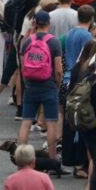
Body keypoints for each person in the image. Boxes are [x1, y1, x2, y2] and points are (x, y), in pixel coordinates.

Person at [18, 11, 63, 162]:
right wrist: (57, 83)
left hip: (31, 85)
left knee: (26, 123)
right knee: (51, 123)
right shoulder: (54, 42)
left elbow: (23, 66)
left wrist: (26, 82)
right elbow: (58, 69)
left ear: (35, 24)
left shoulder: (27, 42)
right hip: (48, 85)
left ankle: (21, 157)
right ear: (48, 24)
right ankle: (52, 159)